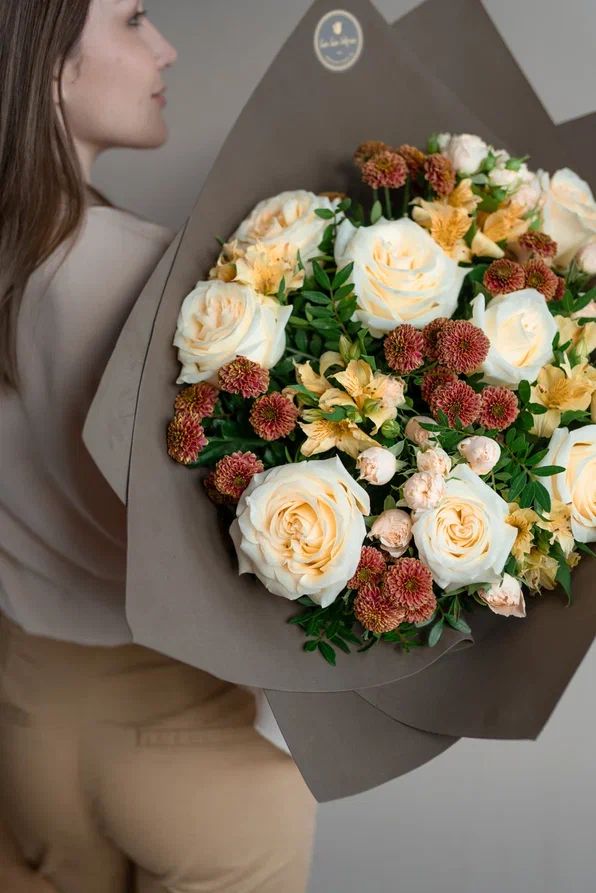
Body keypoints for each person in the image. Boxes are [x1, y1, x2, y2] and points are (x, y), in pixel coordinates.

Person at [0, 2, 317, 891]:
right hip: (173, 734)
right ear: (51, 69)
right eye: (135, 19)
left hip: (27, 717)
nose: (166, 48)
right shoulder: (149, 274)